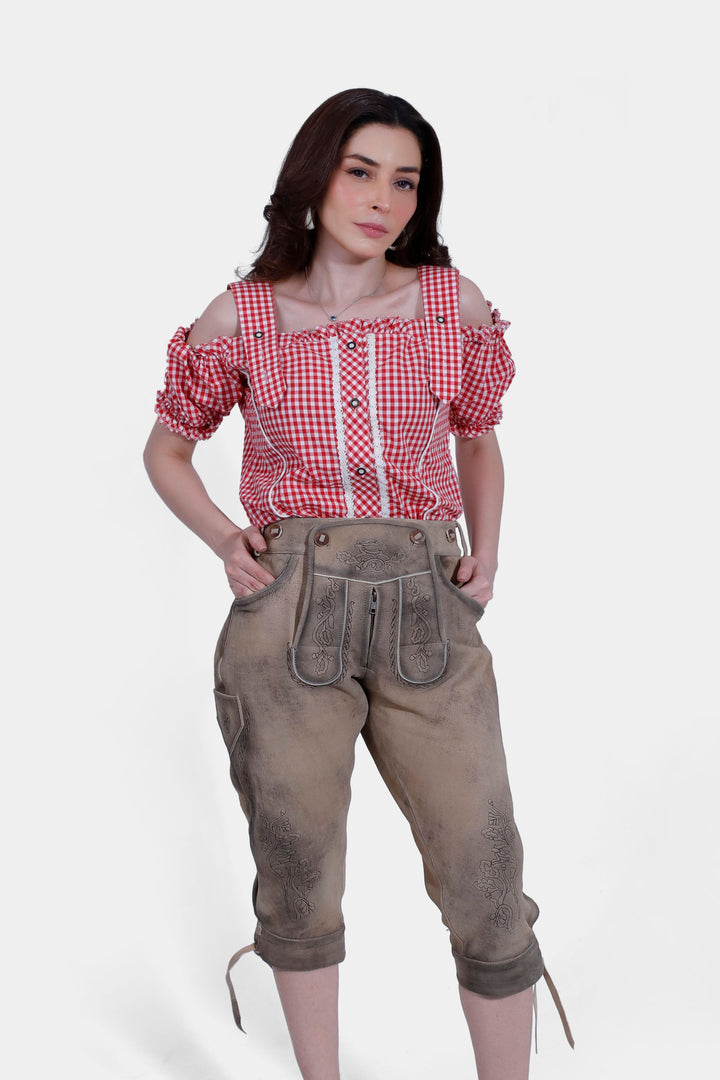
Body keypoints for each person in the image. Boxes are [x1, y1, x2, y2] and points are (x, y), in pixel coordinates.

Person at [144, 88, 572, 1080]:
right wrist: (226, 540)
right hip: (287, 607)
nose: (384, 198)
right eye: (361, 170)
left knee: (486, 870)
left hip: (429, 598)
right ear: (316, 175)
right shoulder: (242, 317)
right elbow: (167, 451)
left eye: (407, 180)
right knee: (298, 877)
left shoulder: (446, 306)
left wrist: (487, 555)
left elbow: (479, 438)